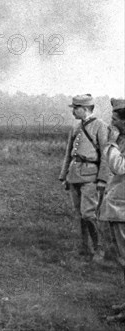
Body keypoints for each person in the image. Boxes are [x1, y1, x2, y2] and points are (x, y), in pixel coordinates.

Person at [59, 94, 110, 258]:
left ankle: (99, 249)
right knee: (79, 214)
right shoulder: (75, 128)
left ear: (86, 109)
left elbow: (106, 155)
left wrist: (102, 179)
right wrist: (64, 176)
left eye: (76, 108)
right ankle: (84, 248)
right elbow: (69, 154)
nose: (73, 111)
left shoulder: (100, 126)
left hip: (91, 177)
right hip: (74, 175)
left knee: (89, 214)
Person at [97, 98, 125, 322]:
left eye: (115, 119)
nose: (111, 123)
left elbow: (118, 167)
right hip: (119, 208)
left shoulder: (119, 141)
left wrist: (111, 143)